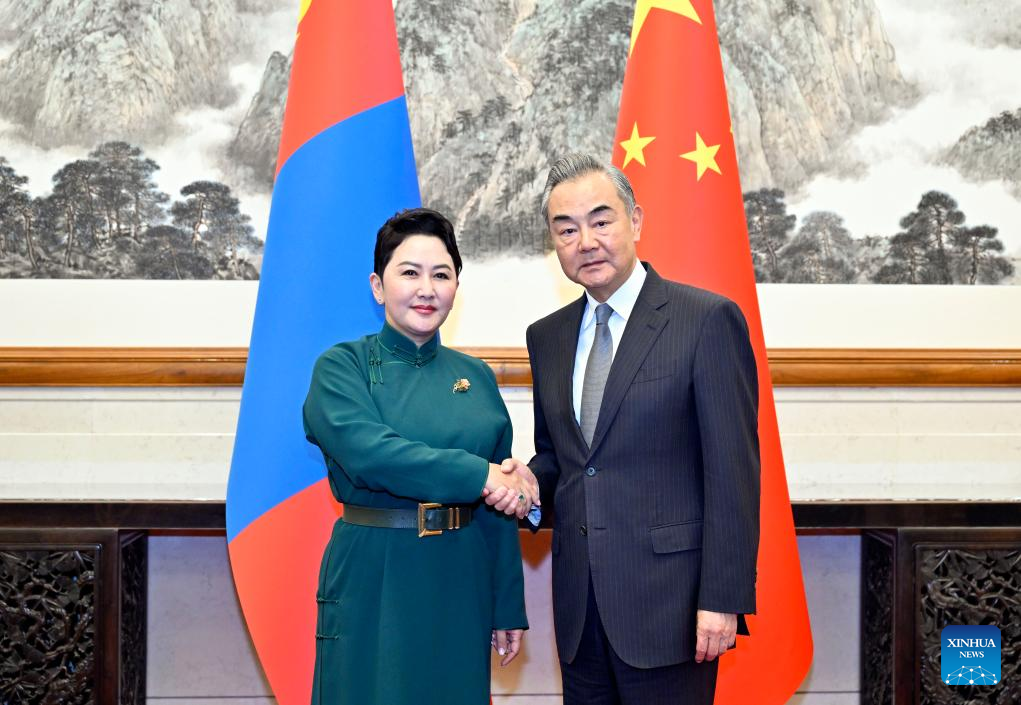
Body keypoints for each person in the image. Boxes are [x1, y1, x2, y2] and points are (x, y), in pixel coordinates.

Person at [509, 153, 760, 704]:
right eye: (567, 228)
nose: (587, 241)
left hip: (673, 610)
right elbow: (563, 458)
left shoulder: (705, 320)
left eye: (602, 221)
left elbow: (733, 473)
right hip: (581, 610)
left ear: (636, 221)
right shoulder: (546, 338)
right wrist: (525, 485)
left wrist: (722, 599)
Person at [302, 207, 539, 705]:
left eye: (442, 274)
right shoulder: (341, 367)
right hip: (375, 569)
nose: (426, 288)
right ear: (377, 285)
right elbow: (374, 456)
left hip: (462, 575)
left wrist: (507, 605)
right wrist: (480, 475)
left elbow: (501, 497)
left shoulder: (476, 378)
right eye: (409, 272)